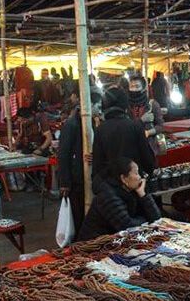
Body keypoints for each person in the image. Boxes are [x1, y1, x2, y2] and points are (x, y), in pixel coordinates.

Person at [77, 157, 162, 241]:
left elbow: (157, 218)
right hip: (93, 245)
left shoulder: (132, 190)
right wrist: (147, 220)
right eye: (136, 173)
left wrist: (143, 194)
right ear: (124, 178)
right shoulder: (107, 196)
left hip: (116, 241)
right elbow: (127, 226)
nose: (140, 177)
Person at [58, 89, 102, 236]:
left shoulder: (93, 122)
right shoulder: (72, 125)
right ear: (90, 105)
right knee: (77, 214)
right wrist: (65, 182)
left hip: (90, 176)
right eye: (98, 106)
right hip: (77, 177)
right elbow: (63, 154)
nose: (99, 110)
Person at [92, 87, 156, 180]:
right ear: (125, 106)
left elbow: (98, 164)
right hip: (134, 183)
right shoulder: (135, 126)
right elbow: (147, 160)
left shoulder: (100, 130)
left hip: (111, 184)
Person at [127, 76, 165, 155]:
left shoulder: (152, 104)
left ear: (144, 88)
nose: (134, 89)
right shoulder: (126, 106)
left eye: (137, 86)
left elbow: (161, 126)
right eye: (131, 86)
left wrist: (148, 132)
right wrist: (142, 120)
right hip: (131, 147)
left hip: (149, 147)